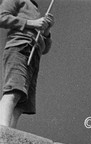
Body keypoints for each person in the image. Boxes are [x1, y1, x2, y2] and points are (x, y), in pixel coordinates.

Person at [0, 0, 54, 128]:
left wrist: (46, 31)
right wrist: (31, 23)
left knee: (21, 103)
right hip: (20, 47)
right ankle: (3, 131)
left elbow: (45, 49)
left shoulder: (35, 7)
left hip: (33, 54)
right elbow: (1, 17)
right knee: (14, 91)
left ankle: (10, 133)